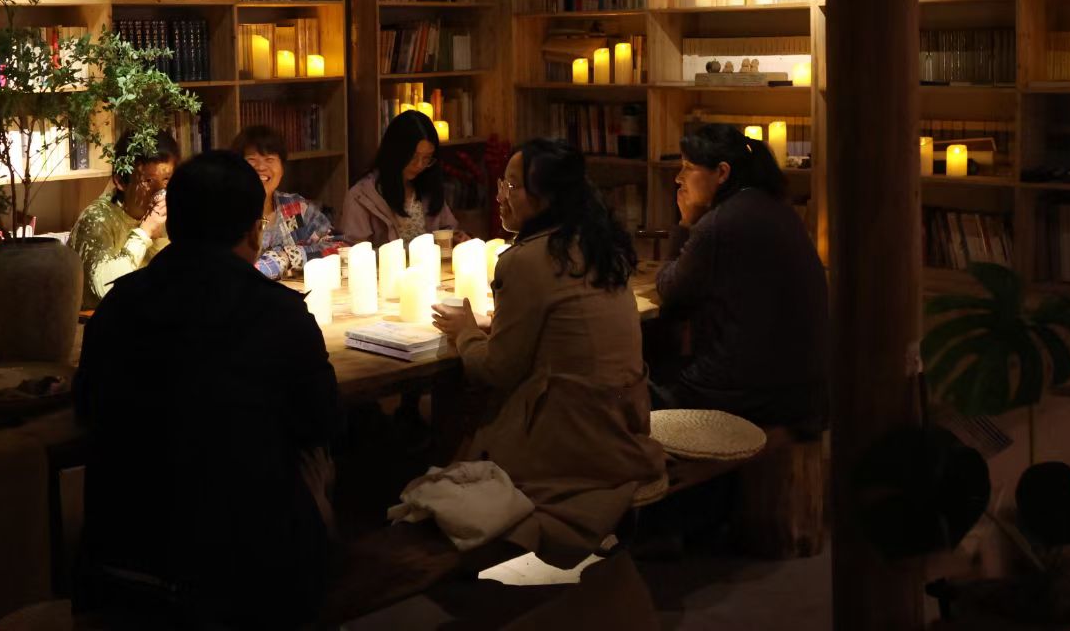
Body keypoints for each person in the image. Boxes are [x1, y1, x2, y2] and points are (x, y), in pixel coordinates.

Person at [74, 151, 341, 629]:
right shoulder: (279, 313)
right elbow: (322, 421)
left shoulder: (117, 307)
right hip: (246, 577)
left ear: (173, 224)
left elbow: (86, 407)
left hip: (124, 566)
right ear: (255, 231)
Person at [432, 139, 665, 565]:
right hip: (625, 417)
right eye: (502, 183)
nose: (500, 195)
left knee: (463, 420)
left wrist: (465, 333)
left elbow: (497, 369)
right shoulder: (598, 243)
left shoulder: (525, 260)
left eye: (513, 186)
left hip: (572, 435)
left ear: (547, 196)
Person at [653, 123, 829, 431]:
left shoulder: (719, 224)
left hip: (746, 396)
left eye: (688, 168)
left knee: (640, 379)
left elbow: (671, 290)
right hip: (805, 390)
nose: (678, 178)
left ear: (722, 173)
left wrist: (684, 223)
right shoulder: (779, 209)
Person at [69, 131, 178, 306]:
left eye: (166, 179)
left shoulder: (173, 214)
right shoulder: (96, 220)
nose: (159, 192)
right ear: (120, 181)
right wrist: (144, 233)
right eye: (148, 181)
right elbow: (107, 290)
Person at [231, 124, 344, 280]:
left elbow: (338, 246)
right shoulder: (226, 213)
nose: (261, 167)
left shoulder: (295, 208)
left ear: (282, 169)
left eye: (269, 159)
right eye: (251, 160)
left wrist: (288, 257)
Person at [338, 110, 461, 246]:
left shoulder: (427, 187)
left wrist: (456, 238)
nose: (420, 165)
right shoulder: (362, 196)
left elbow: (448, 229)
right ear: (395, 152)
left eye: (427, 158)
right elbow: (353, 250)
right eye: (413, 157)